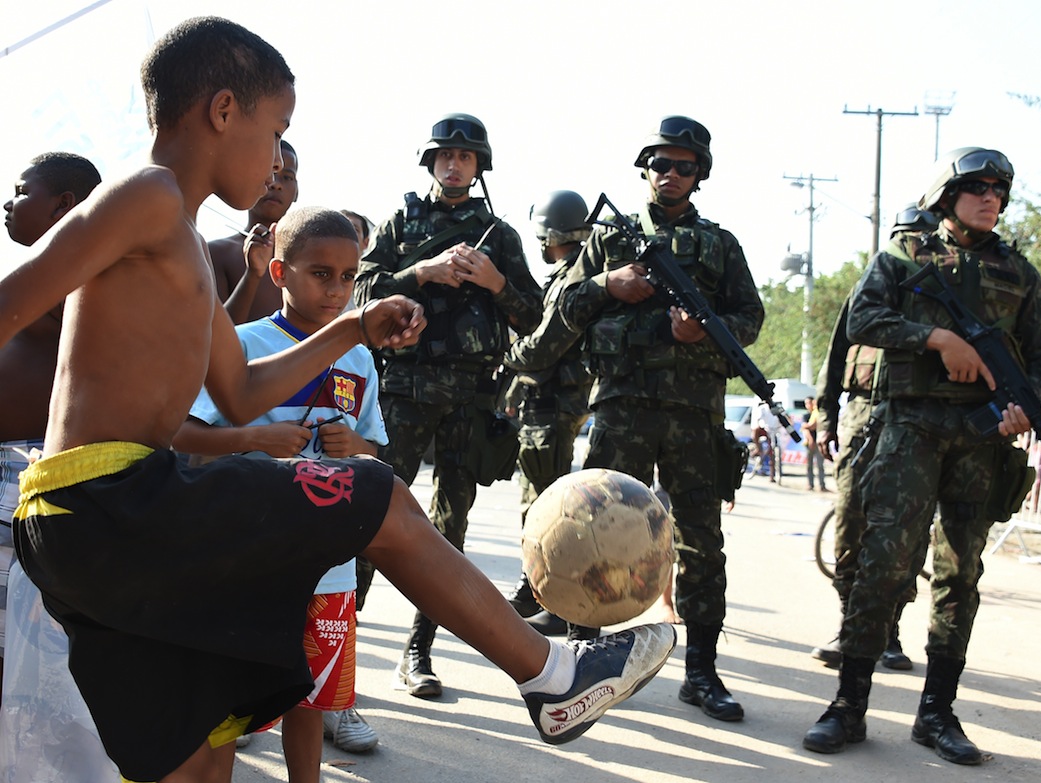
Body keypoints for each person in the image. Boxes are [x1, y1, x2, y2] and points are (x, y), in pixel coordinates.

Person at [1, 18, 675, 781]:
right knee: (377, 497)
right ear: (224, 111)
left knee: (197, 748)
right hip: (106, 499)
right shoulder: (147, 195)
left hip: (112, 516)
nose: (275, 158)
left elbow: (241, 386)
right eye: (276, 128)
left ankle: (552, 676)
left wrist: (354, 324)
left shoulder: (180, 237)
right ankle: (553, 675)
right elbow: (12, 301)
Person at [803, 147, 1041, 764]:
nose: (990, 198)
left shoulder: (1019, 273)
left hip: (982, 439)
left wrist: (1032, 403)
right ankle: (848, 706)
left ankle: (937, 713)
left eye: (999, 191)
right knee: (884, 562)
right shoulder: (905, 256)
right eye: (976, 187)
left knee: (960, 573)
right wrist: (936, 337)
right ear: (947, 195)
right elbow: (862, 318)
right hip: (911, 428)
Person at [558, 116, 764, 722]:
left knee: (701, 542)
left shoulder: (721, 246)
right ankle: (583, 654)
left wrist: (702, 332)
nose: (670, 175)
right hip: (621, 404)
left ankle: (701, 669)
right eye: (660, 164)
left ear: (700, 176)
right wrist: (606, 283)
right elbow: (565, 306)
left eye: (684, 166)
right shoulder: (607, 238)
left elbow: (749, 320)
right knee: (598, 530)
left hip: (693, 412)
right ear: (644, 168)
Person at [175, 207, 383, 770]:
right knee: (230, 705)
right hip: (246, 557)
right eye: (321, 273)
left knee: (310, 699)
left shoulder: (360, 356)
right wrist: (253, 437)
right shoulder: (241, 344)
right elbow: (181, 434)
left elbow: (375, 450)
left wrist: (351, 447)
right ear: (279, 273)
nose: (337, 290)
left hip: (329, 564)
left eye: (348, 276)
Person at [352, 113, 543, 698]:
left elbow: (534, 315)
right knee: (364, 511)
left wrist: (493, 282)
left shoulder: (498, 235)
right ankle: (338, 644)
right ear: (430, 161)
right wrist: (420, 273)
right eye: (446, 155)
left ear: (479, 165)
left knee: (447, 527)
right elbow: (358, 291)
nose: (455, 164)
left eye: (466, 156)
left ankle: (419, 651)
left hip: (470, 394)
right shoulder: (401, 222)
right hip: (405, 391)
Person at [0, 152, 118, 781]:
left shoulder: (71, 283)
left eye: (21, 191)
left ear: (66, 207)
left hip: (31, 480)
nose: (8, 202)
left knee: (34, 657)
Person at [808, 205, 939, 674]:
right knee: (850, 525)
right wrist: (825, 419)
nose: (913, 247)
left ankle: (890, 631)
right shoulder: (868, 291)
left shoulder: (939, 301)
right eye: (906, 238)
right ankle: (849, 625)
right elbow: (834, 357)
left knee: (904, 534)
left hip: (912, 418)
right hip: (861, 417)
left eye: (922, 239)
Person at [501, 190, 593, 636]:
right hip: (548, 401)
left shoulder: (575, 276)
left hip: (557, 404)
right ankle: (536, 588)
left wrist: (510, 357)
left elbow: (544, 345)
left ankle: (557, 601)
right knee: (535, 502)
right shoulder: (566, 273)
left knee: (551, 508)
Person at [208, 138, 299, 323]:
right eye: (267, 173)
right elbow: (219, 335)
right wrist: (252, 275)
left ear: (297, 191)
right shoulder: (218, 253)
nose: (275, 184)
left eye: (287, 177)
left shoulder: (309, 254)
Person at [801, 396, 828, 492]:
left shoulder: (818, 414)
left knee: (820, 464)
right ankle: (810, 484)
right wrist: (810, 439)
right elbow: (805, 428)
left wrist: (808, 426)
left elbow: (812, 426)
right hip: (809, 443)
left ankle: (822, 485)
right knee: (809, 465)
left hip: (818, 441)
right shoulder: (805, 416)